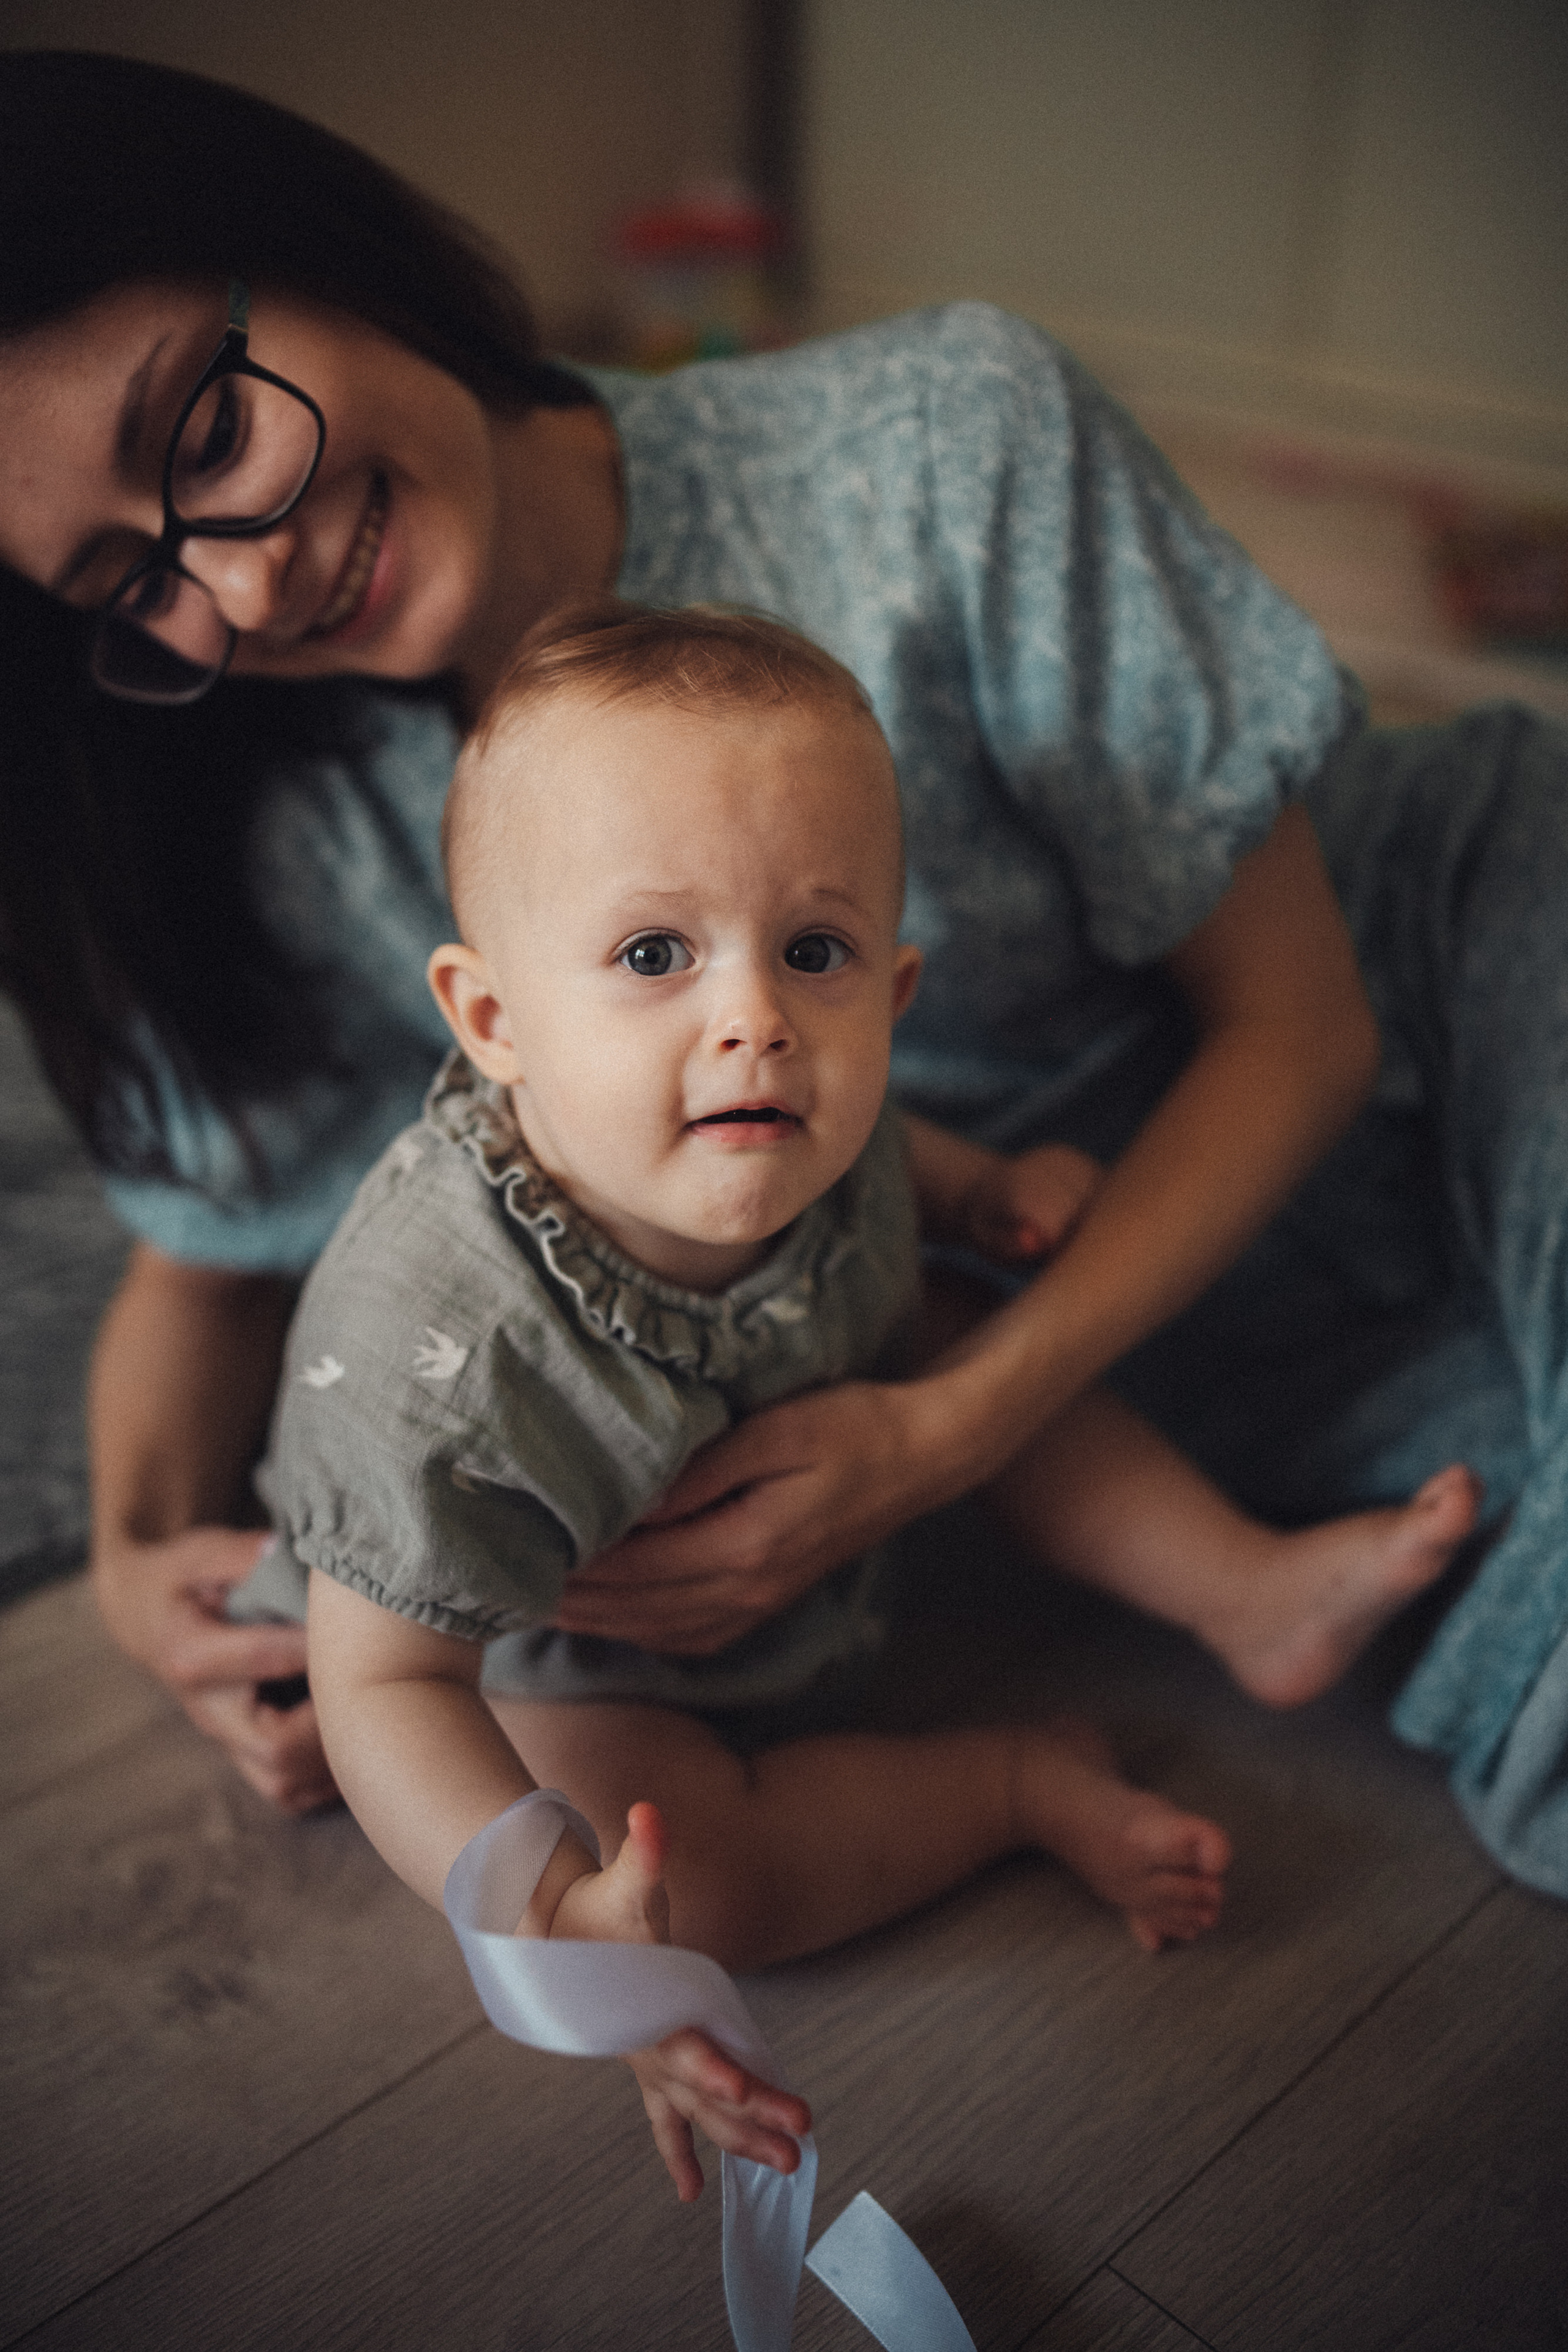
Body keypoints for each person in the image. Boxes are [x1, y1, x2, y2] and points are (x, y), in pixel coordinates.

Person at [1, 53, 1564, 1896]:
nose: (241, 593)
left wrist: (935, 1438)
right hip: (1172, 1343)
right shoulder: (292, 830)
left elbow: (1301, 1027)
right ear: (478, 1006)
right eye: (131, 584)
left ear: (310, 248)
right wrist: (134, 1566)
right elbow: (203, 1259)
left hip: (1436, 987)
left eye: (204, 438)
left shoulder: (942, 448)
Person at [282, 598, 1480, 2189]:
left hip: (839, 1471)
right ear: (494, 1019)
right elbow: (383, 1682)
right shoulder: (442, 1336)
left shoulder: (782, 1108)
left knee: (978, 1333)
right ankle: (1002, 1785)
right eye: (654, 954)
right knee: (701, 1882)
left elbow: (899, 1158)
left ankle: (1243, 1588)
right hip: (573, 1653)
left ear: (894, 992)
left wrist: (991, 1198)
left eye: (816, 951)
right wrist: (559, 1925)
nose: (755, 1015)